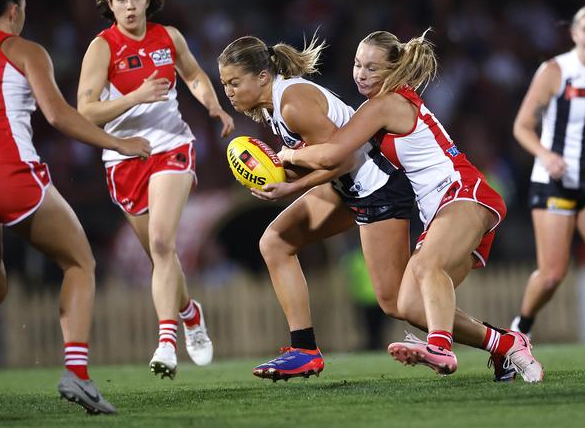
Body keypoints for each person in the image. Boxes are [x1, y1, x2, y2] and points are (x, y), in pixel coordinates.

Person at [218, 34, 535, 383]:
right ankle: (304, 350)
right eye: (225, 84)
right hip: (348, 187)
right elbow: (327, 157)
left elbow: (341, 156)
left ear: (263, 76)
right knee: (275, 243)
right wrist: (281, 175)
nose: (229, 91)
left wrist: (291, 177)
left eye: (234, 82)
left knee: (398, 304)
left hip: (375, 189)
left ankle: (489, 344)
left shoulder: (294, 102)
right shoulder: (277, 107)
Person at [0, 0, 152, 414]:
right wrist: (119, 142)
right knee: (79, 262)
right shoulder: (22, 49)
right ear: (14, 11)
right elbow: (58, 116)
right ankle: (77, 375)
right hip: (8, 174)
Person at [76, 0, 234, 380]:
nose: (130, 6)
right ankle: (189, 311)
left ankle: (167, 343)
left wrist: (212, 104)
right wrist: (137, 95)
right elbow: (86, 111)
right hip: (124, 158)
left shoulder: (169, 37)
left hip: (171, 146)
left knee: (164, 242)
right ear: (109, 5)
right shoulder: (101, 48)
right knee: (159, 255)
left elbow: (195, 75)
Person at [510, 5, 585, 367]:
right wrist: (545, 155)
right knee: (552, 274)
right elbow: (521, 126)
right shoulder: (555, 71)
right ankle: (522, 326)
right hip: (554, 182)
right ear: (575, 34)